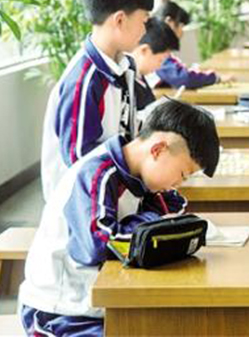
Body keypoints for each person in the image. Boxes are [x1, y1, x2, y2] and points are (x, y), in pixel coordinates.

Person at [19, 99, 220, 336]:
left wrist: (154, 220)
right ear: (158, 150)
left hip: (101, 307)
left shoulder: (140, 179)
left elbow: (173, 209)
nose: (179, 183)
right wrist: (152, 219)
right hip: (60, 314)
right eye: (183, 174)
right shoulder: (97, 173)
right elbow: (99, 245)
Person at [40, 0, 154, 202]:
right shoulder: (84, 81)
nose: (145, 30)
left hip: (114, 191)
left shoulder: (125, 65)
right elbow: (81, 162)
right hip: (84, 204)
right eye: (143, 21)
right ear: (120, 20)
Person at [149, 1, 235, 89]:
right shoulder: (155, 48)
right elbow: (182, 78)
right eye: (181, 26)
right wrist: (216, 78)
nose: (182, 32)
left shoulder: (156, 44)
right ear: (169, 22)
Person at [130, 17, 180, 110]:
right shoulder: (126, 83)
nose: (160, 66)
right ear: (144, 50)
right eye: (160, 60)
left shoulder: (140, 79)